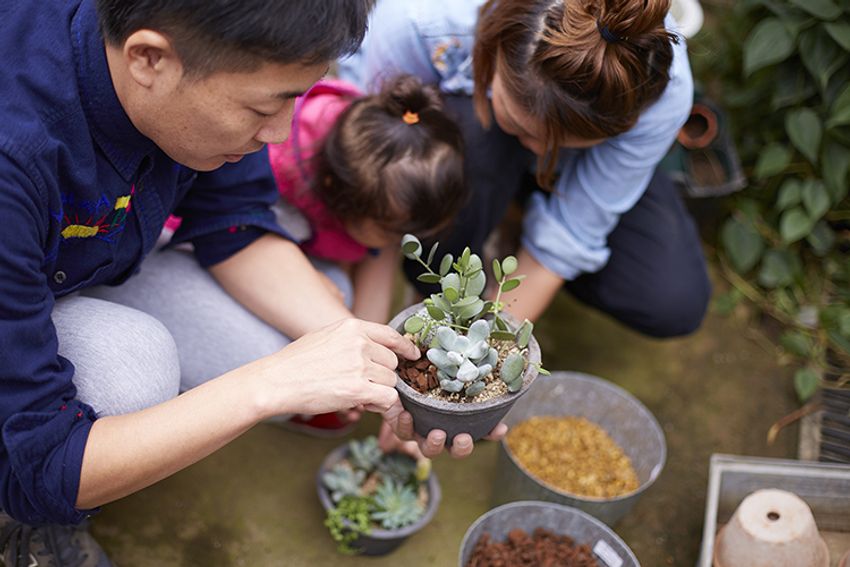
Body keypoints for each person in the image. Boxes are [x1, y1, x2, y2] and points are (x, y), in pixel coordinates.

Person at [0, 2, 494, 565]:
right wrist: (270, 385)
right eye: (264, 105)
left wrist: (394, 365)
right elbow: (41, 465)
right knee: (132, 374)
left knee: (298, 342)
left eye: (295, 97)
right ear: (148, 59)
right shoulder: (15, 159)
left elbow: (233, 223)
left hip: (75, 263)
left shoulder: (204, 61)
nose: (281, 133)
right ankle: (22, 528)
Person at [340, 0, 712, 338]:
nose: (536, 150)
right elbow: (384, 178)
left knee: (672, 301)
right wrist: (370, 321)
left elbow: (572, 233)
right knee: (477, 139)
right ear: (489, 50)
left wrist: (488, 347)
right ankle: (437, 281)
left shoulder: (657, 88)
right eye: (521, 128)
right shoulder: (420, 22)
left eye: (566, 144)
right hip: (470, 141)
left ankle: (514, 218)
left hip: (575, 175)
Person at [268, 74, 466, 324]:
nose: (398, 241)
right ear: (343, 199)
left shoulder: (378, 180)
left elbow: (377, 268)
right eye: (391, 232)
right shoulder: (278, 168)